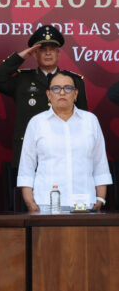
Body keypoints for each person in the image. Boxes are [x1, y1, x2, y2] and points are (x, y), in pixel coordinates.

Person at [0, 25, 87, 168]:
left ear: (58, 54)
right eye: (42, 50)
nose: (48, 54)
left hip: (66, 154)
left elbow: (83, 119)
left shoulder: (74, 81)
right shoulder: (22, 80)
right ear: (34, 54)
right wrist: (21, 56)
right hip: (30, 154)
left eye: (52, 50)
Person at [18, 71, 111, 212]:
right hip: (45, 203)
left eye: (68, 88)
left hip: (85, 204)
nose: (62, 92)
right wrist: (30, 202)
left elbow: (100, 163)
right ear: (49, 94)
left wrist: (100, 199)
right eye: (56, 88)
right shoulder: (37, 122)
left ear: (75, 94)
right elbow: (27, 166)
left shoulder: (90, 121)